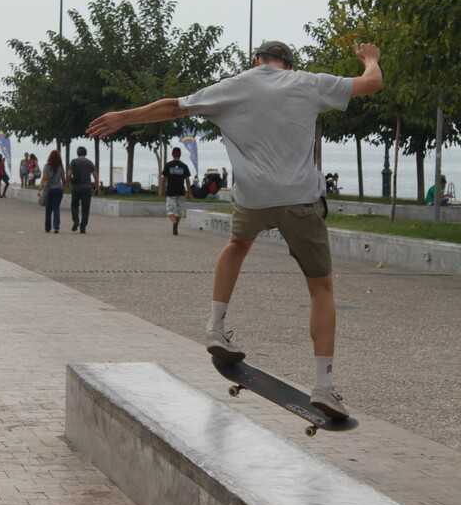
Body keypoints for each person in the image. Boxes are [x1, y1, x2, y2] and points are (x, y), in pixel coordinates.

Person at [87, 40, 382, 419]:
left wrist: (124, 117)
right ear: (288, 65)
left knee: (237, 245)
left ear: (256, 61)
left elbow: (173, 106)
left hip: (253, 198)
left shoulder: (235, 85)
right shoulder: (307, 83)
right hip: (300, 200)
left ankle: (214, 327)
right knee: (321, 288)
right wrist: (370, 58)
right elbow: (370, 83)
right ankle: (323, 386)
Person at [67, 146, 99, 234]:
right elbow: (95, 176)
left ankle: (76, 220)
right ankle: (83, 227)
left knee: (74, 204)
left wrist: (71, 181)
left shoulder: (73, 162)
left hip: (76, 188)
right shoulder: (89, 162)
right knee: (86, 208)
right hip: (87, 188)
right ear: (85, 153)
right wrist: (97, 187)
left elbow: (69, 174)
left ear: (77, 153)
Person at [160, 147, 192, 235]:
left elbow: (163, 179)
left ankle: (174, 222)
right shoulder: (184, 166)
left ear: (172, 154)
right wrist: (189, 193)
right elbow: (187, 181)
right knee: (179, 211)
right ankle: (176, 225)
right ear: (180, 155)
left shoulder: (168, 165)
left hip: (171, 192)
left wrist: (161, 190)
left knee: (170, 210)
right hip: (181, 192)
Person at [38, 149, 66, 233]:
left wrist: (40, 189)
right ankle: (56, 227)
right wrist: (63, 188)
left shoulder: (46, 166)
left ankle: (47, 227)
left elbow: (44, 178)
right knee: (56, 208)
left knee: (48, 209)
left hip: (48, 190)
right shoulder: (60, 167)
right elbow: (63, 179)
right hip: (58, 189)